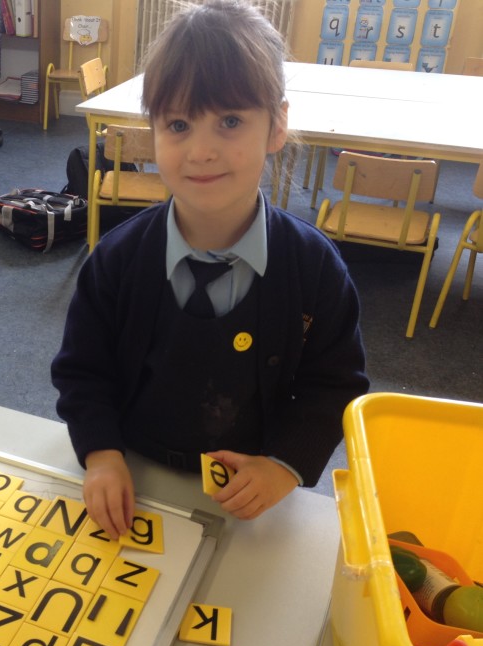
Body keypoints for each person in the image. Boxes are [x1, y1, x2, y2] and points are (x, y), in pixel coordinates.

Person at [51, 0, 369, 535]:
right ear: (151, 131)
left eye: (229, 121)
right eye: (177, 124)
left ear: (276, 127)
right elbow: (83, 370)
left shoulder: (315, 269)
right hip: (136, 474)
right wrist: (101, 452)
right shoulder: (117, 259)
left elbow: (334, 385)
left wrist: (285, 465)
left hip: (249, 495)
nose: (200, 151)